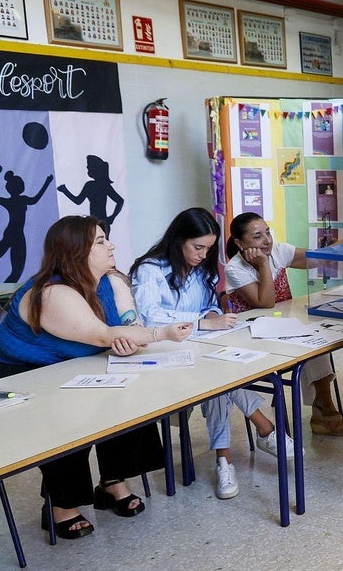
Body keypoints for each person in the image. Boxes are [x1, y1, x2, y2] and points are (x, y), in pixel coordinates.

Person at [0, 215, 193, 539]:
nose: (112, 246)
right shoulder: (51, 293)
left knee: (130, 394)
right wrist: (159, 333)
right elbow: (102, 334)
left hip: (75, 366)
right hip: (20, 376)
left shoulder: (113, 280)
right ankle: (61, 505)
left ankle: (112, 481)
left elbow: (127, 325)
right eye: (101, 241)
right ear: (76, 251)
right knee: (69, 413)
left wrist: (129, 339)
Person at [130, 208, 295, 501]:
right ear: (178, 240)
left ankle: (224, 461)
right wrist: (201, 322)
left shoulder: (199, 269)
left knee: (221, 378)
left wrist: (211, 315)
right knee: (219, 379)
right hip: (159, 355)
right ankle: (264, 428)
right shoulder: (150, 269)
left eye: (208, 249)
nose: (203, 255)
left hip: (198, 349)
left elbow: (212, 306)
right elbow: (149, 318)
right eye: (198, 247)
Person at [224, 212, 343, 437]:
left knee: (317, 343)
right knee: (307, 346)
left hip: (283, 326)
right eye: (257, 236)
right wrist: (264, 265)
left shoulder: (278, 250)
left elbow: (317, 258)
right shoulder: (234, 268)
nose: (267, 240)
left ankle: (323, 409)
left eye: (267, 232)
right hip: (252, 336)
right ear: (239, 243)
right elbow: (265, 303)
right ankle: (324, 410)